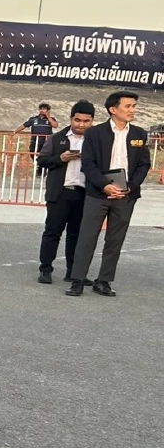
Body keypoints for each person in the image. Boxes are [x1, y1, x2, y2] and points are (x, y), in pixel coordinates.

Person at [66, 91, 151, 297]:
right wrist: (104, 185)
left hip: (125, 195)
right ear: (113, 110)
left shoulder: (139, 134)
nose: (133, 110)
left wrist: (130, 186)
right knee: (87, 237)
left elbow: (143, 164)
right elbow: (88, 163)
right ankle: (77, 279)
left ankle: (104, 281)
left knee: (115, 239)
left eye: (134, 106)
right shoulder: (95, 133)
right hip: (98, 193)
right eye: (128, 106)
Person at [35, 101, 94, 285]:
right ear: (71, 118)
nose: (81, 124)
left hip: (84, 194)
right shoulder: (57, 138)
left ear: (92, 121)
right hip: (60, 193)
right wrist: (60, 159)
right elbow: (42, 160)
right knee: (52, 232)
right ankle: (45, 269)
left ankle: (74, 272)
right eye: (77, 120)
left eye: (86, 121)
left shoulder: (96, 140)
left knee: (76, 235)